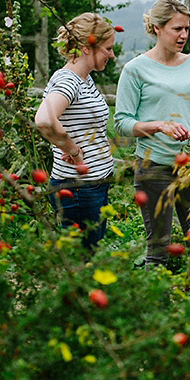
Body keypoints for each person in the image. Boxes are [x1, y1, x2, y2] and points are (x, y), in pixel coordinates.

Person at [114, 0, 190, 269]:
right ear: (157, 28)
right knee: (158, 249)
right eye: (176, 29)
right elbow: (122, 122)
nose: (183, 35)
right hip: (153, 168)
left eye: (186, 29)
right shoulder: (135, 69)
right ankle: (154, 309)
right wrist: (159, 126)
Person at [35, 13, 116, 250]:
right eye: (107, 48)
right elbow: (43, 119)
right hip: (78, 189)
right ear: (87, 48)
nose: (111, 54)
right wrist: (74, 151)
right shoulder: (68, 80)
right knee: (82, 260)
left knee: (90, 256)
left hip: (91, 186)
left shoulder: (84, 79)